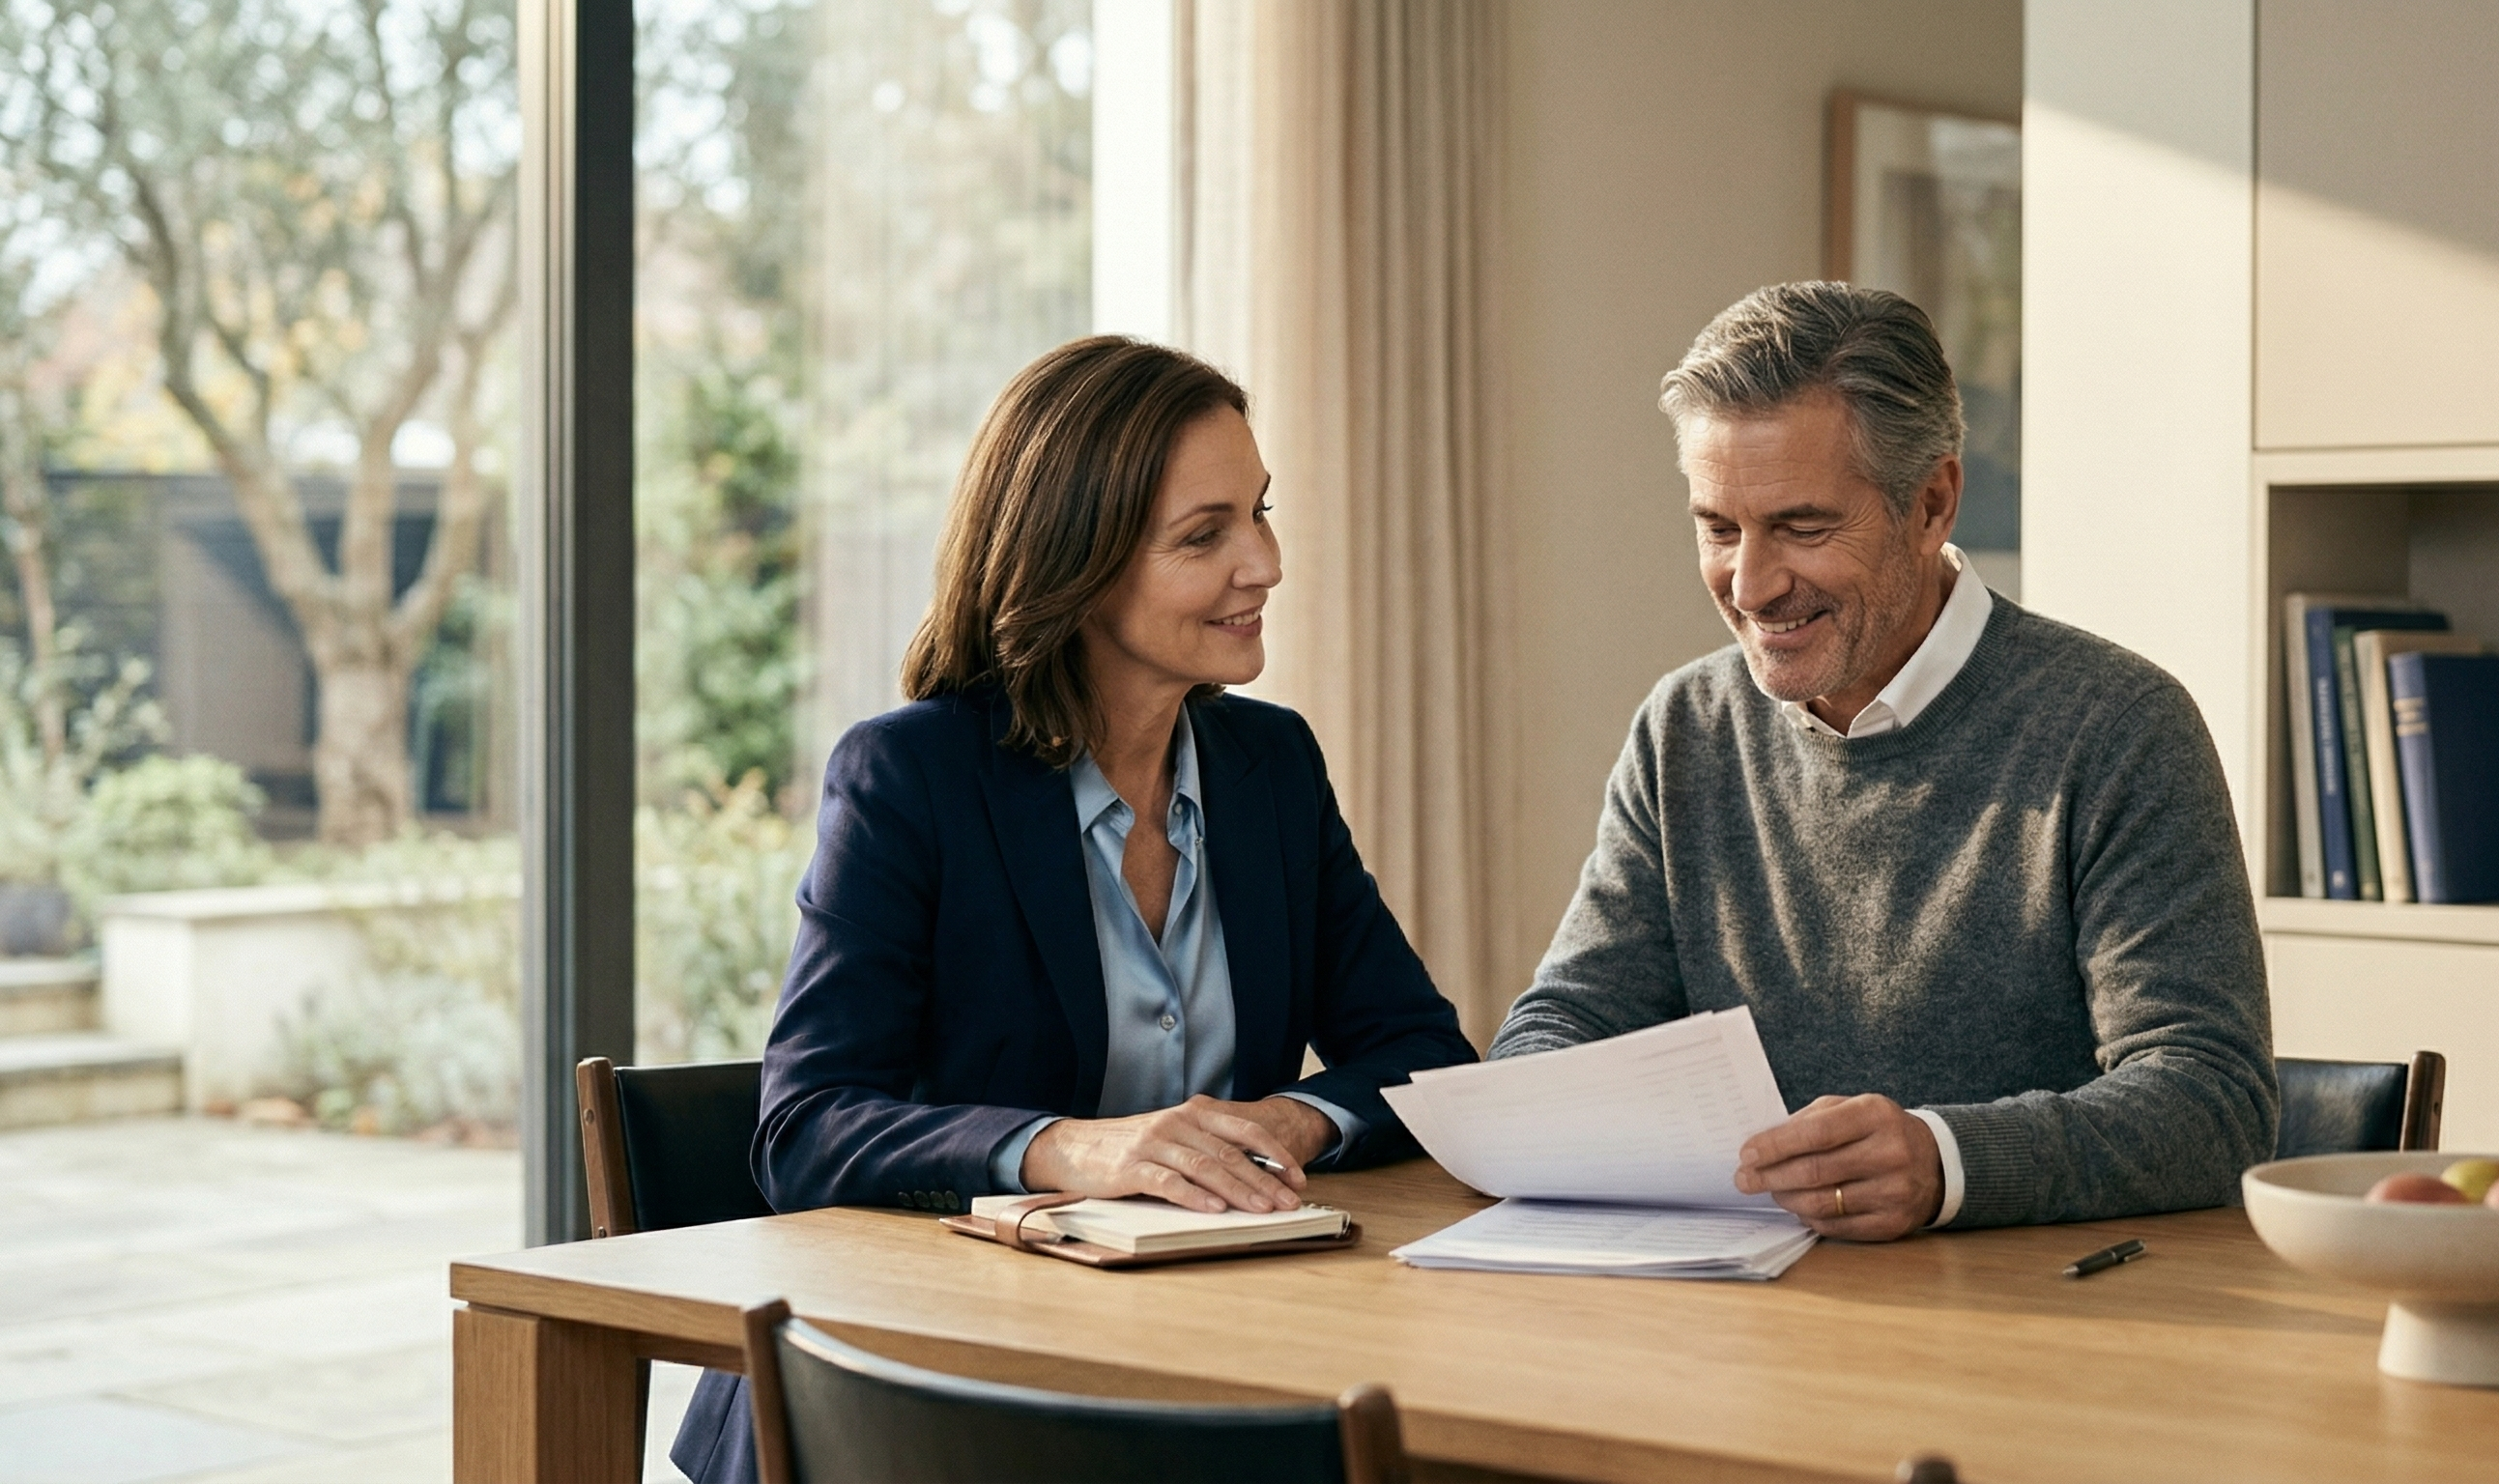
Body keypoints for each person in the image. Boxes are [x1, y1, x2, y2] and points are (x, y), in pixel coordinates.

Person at [672, 336, 1477, 1481]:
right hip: (909, 1399)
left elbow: (1418, 1050)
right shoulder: (914, 777)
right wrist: (1067, 1151)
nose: (1264, 563)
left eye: (1259, 513)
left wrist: (1286, 1124)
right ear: (1076, 564)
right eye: (1204, 537)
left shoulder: (1271, 766)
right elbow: (804, 1126)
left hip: (1174, 1360)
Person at [1490, 282, 2276, 1241]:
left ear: (1933, 502)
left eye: (1803, 528)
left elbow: (2213, 1102)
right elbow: (1566, 1022)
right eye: (1718, 528)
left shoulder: (2117, 726)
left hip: (2033, 1328)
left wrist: (1948, 1161)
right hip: (1741, 1314)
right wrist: (1529, 1101)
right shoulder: (1686, 729)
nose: (1751, 585)